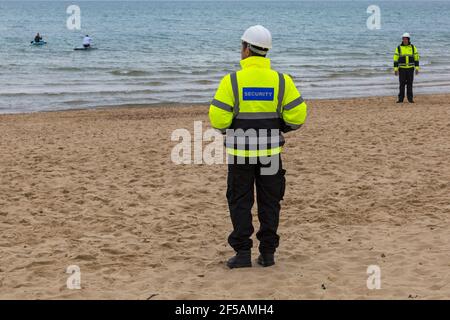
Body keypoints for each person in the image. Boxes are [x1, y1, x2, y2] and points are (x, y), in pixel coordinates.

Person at [208, 25, 307, 268]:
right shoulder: (281, 81)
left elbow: (217, 119)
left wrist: (229, 129)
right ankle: (268, 253)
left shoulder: (232, 81)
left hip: (241, 155)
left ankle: (242, 254)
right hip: (271, 155)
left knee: (240, 201)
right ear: (265, 52)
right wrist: (280, 127)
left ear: (246, 50)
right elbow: (298, 117)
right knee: (270, 202)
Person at [393, 33, 420, 103]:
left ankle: (410, 99)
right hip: (402, 69)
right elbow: (395, 59)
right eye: (403, 39)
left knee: (410, 84)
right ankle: (400, 99)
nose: (404, 40)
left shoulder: (413, 48)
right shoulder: (398, 48)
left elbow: (416, 58)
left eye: (406, 39)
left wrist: (417, 68)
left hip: (410, 69)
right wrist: (396, 69)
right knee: (401, 84)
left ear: (408, 39)